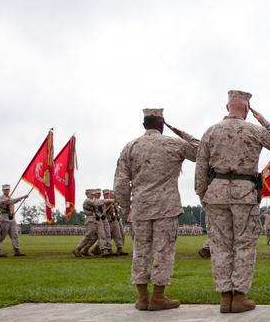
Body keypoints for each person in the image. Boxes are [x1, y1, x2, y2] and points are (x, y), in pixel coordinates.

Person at [195, 90, 270, 313]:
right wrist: (264, 121)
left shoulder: (210, 132)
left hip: (215, 194)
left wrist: (202, 194)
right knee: (244, 245)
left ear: (227, 108)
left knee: (220, 246)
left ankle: (225, 297)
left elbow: (200, 168)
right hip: (244, 194)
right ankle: (240, 296)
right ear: (247, 109)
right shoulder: (253, 130)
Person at [114, 108, 199, 310]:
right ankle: (158, 296)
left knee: (140, 251)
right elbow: (199, 150)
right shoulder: (173, 143)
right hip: (166, 207)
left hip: (140, 208)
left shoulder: (131, 147)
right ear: (162, 124)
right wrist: (178, 131)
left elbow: (120, 182)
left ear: (144, 125)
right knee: (163, 251)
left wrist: (126, 207)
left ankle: (142, 297)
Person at [0, 184, 29, 256]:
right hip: (4, 218)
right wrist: (22, 197)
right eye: (5, 189)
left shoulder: (10, 197)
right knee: (2, 235)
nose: (7, 191)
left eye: (8, 189)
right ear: (2, 190)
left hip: (11, 217)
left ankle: (17, 250)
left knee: (15, 234)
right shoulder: (0, 198)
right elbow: (10, 202)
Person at [74, 189, 107, 256]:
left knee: (102, 235)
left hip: (98, 219)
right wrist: (109, 200)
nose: (93, 195)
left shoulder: (94, 201)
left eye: (93, 194)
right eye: (91, 194)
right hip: (91, 219)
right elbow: (95, 203)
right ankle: (78, 248)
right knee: (89, 235)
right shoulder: (87, 201)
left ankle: (104, 250)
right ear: (87, 194)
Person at [102, 189, 129, 257]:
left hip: (115, 220)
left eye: (110, 194)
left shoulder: (113, 202)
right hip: (107, 220)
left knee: (118, 235)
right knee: (107, 235)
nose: (109, 195)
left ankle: (119, 248)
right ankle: (106, 249)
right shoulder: (103, 202)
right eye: (107, 194)